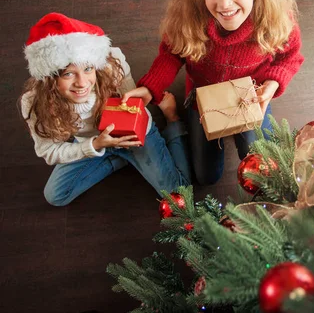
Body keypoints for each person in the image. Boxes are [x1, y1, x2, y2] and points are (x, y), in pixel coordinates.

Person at [123, 0, 304, 185]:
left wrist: (271, 85)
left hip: (251, 96)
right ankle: (177, 118)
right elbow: (171, 53)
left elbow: (290, 58)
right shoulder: (189, 20)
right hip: (202, 99)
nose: (224, 3)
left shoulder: (277, 21)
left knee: (261, 167)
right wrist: (149, 87)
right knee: (207, 177)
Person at [18, 13, 191, 206]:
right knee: (55, 196)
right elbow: (49, 151)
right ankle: (119, 159)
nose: (82, 83)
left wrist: (129, 132)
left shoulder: (111, 66)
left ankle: (172, 119)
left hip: (132, 134)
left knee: (180, 199)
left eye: (88, 69)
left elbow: (136, 111)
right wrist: (95, 145)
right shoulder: (34, 102)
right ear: (50, 78)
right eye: (68, 74)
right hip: (93, 142)